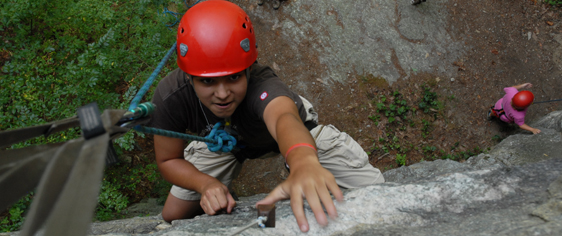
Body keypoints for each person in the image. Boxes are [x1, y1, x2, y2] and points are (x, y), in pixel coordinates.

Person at [148, 0, 384, 233]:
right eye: (207, 81)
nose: (222, 94)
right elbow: (168, 160)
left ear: (249, 69)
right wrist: (206, 184)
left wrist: (303, 162)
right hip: (226, 143)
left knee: (379, 196)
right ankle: (226, 195)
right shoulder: (172, 96)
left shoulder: (263, 86)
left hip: (298, 136)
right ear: (189, 77)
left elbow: (283, 118)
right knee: (173, 214)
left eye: (233, 77)